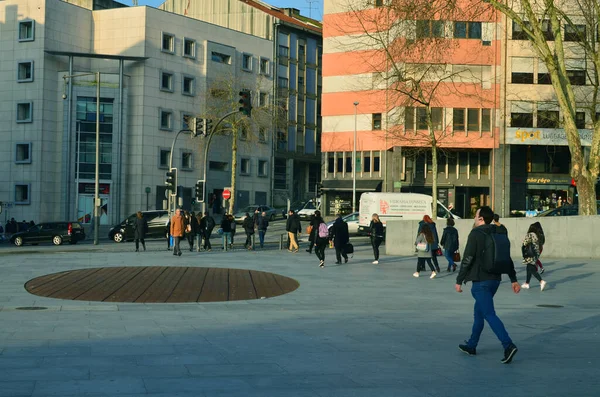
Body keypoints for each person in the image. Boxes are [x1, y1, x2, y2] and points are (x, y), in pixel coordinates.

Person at [455, 206, 520, 364]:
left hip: (480, 281)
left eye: (476, 215)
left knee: (489, 314)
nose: (475, 218)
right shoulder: (498, 232)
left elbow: (468, 258)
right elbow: (507, 257)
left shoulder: (476, 233)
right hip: (495, 280)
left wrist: (459, 280)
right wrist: (513, 279)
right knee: (479, 313)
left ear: (481, 218)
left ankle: (508, 345)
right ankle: (471, 345)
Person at [521, 222, 547, 291]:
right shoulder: (538, 235)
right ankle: (527, 283)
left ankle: (541, 281)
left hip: (530, 254)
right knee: (528, 267)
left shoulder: (530, 234)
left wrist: (523, 241)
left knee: (531, 268)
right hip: (535, 253)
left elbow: (525, 243)